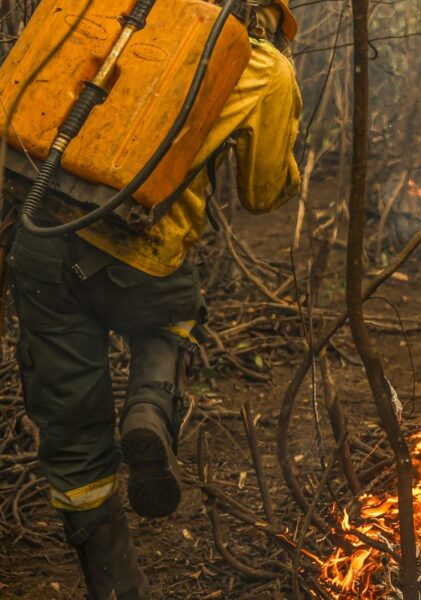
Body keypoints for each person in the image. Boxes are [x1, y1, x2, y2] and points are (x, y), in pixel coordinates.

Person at [3, 2, 302, 598]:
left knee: (70, 425)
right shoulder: (261, 63)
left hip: (42, 243)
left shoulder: (101, 8)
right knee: (172, 314)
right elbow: (263, 192)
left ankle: (116, 584)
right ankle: (148, 404)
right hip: (144, 258)